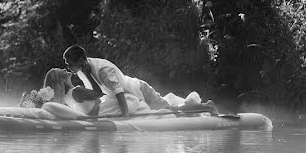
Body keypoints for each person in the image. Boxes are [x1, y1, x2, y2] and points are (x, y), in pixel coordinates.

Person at [61, 45, 218, 117]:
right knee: (169, 109)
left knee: (171, 111)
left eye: (70, 64)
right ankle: (199, 107)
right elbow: (98, 94)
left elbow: (120, 94)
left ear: (81, 59)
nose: (68, 68)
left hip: (139, 90)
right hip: (130, 94)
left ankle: (206, 106)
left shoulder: (102, 70)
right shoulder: (83, 71)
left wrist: (125, 117)